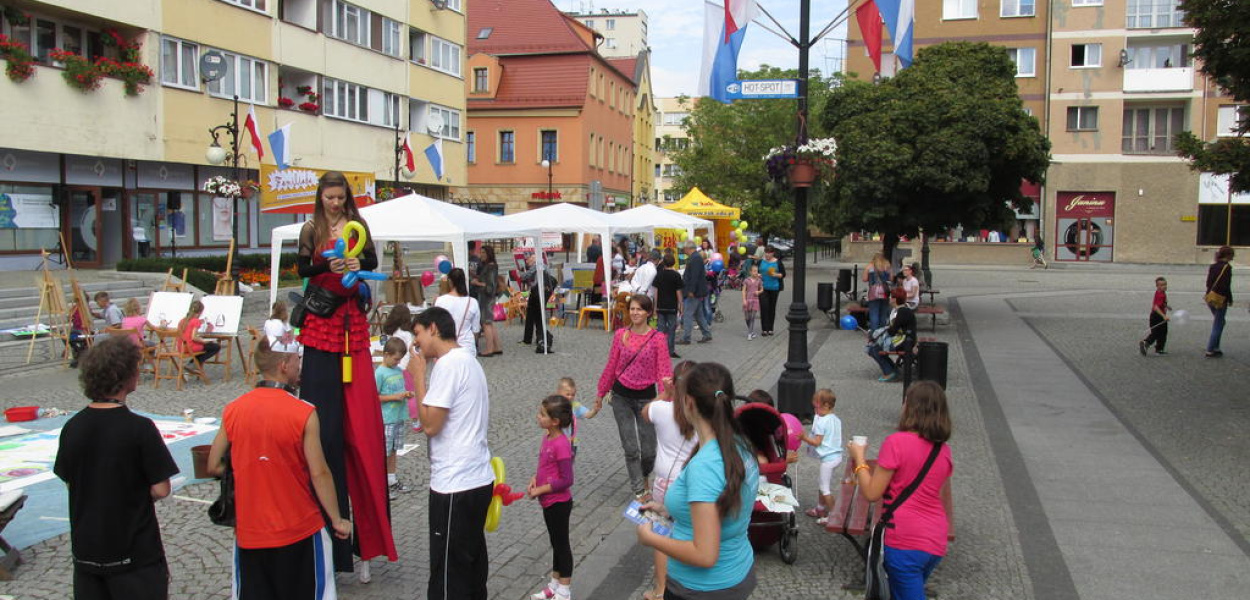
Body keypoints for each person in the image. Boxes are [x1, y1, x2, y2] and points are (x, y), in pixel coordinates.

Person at [294, 170, 396, 574]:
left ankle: (363, 538)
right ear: (320, 198)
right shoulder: (310, 227)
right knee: (323, 427)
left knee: (357, 429)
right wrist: (325, 258)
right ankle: (325, 533)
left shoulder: (360, 224)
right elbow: (301, 267)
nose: (334, 204)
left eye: (339, 198)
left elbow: (371, 261)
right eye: (328, 198)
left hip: (350, 330)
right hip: (321, 324)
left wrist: (357, 260)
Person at [206, 339, 352, 597]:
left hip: (251, 528)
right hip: (298, 526)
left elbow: (213, 464)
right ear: (284, 366)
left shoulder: (234, 410)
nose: (300, 366)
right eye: (297, 361)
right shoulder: (303, 411)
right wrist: (337, 519)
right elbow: (319, 473)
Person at [55, 336, 178, 600]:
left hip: (87, 552)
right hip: (134, 553)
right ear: (126, 376)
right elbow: (161, 488)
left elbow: (69, 480)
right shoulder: (139, 428)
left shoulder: (72, 427)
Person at [635, 362, 759, 600]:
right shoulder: (739, 444)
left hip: (701, 589)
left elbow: (704, 555)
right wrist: (670, 509)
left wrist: (652, 539)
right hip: (737, 571)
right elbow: (721, 503)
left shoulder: (706, 465)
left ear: (689, 402)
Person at [410, 306, 495, 600]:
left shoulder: (447, 365)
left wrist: (419, 376)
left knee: (449, 574)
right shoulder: (469, 361)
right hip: (478, 478)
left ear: (433, 328)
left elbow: (431, 424)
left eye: (417, 333)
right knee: (471, 566)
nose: (416, 342)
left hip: (455, 484)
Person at [846, 381, 953, 600]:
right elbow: (935, 494)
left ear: (911, 407)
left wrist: (859, 458)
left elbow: (872, 493)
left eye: (905, 401)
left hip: (905, 540)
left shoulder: (896, 442)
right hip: (935, 539)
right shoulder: (944, 450)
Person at [597, 294, 673, 499]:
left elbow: (663, 372)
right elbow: (612, 365)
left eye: (639, 309)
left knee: (649, 450)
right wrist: (600, 393)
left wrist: (665, 398)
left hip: (647, 399)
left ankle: (644, 474)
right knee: (630, 448)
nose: (635, 313)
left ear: (649, 312)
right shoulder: (621, 334)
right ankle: (639, 488)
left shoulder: (658, 339)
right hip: (621, 396)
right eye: (632, 309)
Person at [641, 360, 698, 600]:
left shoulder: (663, 410)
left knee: (662, 536)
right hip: (690, 481)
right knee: (689, 533)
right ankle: (689, 581)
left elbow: (645, 413)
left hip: (664, 481)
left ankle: (661, 589)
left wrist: (665, 392)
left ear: (674, 383)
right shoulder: (701, 413)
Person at [527, 395, 577, 600]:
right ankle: (554, 585)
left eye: (542, 414)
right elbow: (545, 466)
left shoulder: (561, 445)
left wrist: (540, 490)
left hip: (559, 503)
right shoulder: (547, 437)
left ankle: (564, 590)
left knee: (562, 545)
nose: (538, 417)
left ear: (555, 421)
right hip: (549, 502)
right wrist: (534, 479)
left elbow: (567, 479)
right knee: (555, 544)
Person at [375, 337, 416, 499]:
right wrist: (393, 397)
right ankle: (382, 482)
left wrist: (406, 394)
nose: (398, 362)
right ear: (386, 354)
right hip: (387, 419)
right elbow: (374, 396)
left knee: (393, 449)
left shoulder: (397, 370)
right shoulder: (380, 373)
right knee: (384, 451)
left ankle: (391, 478)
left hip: (398, 417)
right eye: (396, 359)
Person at [800, 389, 842, 524]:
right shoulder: (835, 419)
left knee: (825, 488)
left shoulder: (822, 422)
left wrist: (804, 437)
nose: (814, 409)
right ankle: (820, 508)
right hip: (837, 456)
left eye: (816, 406)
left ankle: (835, 517)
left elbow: (817, 442)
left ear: (825, 405)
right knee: (822, 483)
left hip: (828, 460)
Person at [867, 288, 917, 382]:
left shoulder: (903, 312)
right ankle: (892, 369)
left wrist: (879, 334)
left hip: (904, 341)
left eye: (890, 297)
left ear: (895, 299)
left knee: (874, 349)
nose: (889, 298)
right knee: (872, 347)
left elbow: (892, 331)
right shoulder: (897, 310)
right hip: (901, 339)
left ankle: (890, 371)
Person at [435, 268, 482, 356]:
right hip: (467, 346)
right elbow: (476, 330)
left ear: (450, 282)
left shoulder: (440, 301)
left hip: (446, 346)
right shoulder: (472, 302)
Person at [679, 242, 712, 345]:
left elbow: (695, 276)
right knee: (699, 314)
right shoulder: (695, 257)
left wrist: (691, 291)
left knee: (688, 314)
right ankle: (706, 334)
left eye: (684, 249)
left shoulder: (695, 258)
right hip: (696, 291)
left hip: (694, 292)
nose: (683, 251)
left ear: (689, 248)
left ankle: (686, 338)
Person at [557, 377, 601, 456]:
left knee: (567, 466)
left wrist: (595, 410)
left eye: (573, 395)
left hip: (571, 443)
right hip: (556, 442)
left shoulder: (576, 406)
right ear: (559, 393)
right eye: (567, 394)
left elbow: (588, 415)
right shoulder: (554, 406)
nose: (570, 397)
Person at [520, 254, 556, 348]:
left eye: (529, 260)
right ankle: (539, 338)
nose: (528, 262)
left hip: (536, 293)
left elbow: (524, 277)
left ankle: (532, 338)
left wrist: (522, 272)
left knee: (533, 315)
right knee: (538, 315)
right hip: (544, 294)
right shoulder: (546, 267)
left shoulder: (536, 266)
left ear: (534, 260)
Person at [652, 255, 684, 359]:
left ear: (663, 263)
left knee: (660, 329)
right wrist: (681, 305)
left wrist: (655, 307)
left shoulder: (659, 275)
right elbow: (678, 292)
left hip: (661, 306)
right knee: (671, 329)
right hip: (672, 306)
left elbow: (655, 293)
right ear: (674, 263)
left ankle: (659, 350)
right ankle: (670, 350)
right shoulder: (676, 275)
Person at [1205, 245, 1234, 358]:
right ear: (1228, 255)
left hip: (1210, 297)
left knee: (1220, 322)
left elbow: (1208, 283)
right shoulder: (1227, 267)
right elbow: (1226, 286)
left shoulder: (1213, 266)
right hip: (1221, 299)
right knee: (1218, 323)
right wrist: (1229, 299)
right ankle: (1210, 349)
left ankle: (1216, 347)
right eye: (1232, 255)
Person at [476, 245, 503, 357]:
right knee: (490, 323)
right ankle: (497, 347)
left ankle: (489, 349)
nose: (481, 255)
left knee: (486, 323)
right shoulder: (489, 266)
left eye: (483, 253)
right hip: (488, 298)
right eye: (481, 252)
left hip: (486, 298)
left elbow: (490, 286)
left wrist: (477, 283)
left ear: (489, 254)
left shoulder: (491, 267)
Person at [177, 300, 220, 367]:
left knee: (205, 347)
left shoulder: (182, 320)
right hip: (190, 347)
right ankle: (193, 364)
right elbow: (194, 337)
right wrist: (204, 341)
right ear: (200, 312)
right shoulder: (196, 321)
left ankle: (192, 363)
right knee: (215, 347)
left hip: (181, 347)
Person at [1139, 277, 1170, 356]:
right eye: (1162, 285)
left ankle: (1159, 349)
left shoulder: (1161, 292)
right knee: (1157, 333)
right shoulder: (1160, 295)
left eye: (1165, 284)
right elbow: (1156, 307)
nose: (1165, 286)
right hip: (1157, 316)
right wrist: (1164, 316)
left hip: (1156, 316)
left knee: (1162, 332)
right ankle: (1147, 343)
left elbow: (1160, 304)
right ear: (1157, 286)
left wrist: (1166, 306)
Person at [758, 246, 785, 336]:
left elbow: (783, 274)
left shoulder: (778, 262)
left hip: (774, 287)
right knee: (764, 307)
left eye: (769, 253)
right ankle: (764, 329)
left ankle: (770, 328)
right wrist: (758, 275)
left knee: (771, 308)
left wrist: (776, 274)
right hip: (762, 287)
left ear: (773, 253)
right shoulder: (760, 261)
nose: (767, 255)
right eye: (766, 252)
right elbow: (754, 271)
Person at [863, 253, 893, 331]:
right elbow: (891, 279)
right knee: (883, 313)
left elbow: (864, 279)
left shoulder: (869, 266)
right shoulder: (887, 266)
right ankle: (882, 331)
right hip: (885, 291)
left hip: (873, 292)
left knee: (873, 312)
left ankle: (874, 332)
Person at [742, 264, 762, 340]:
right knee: (747, 318)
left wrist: (759, 292)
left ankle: (750, 334)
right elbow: (743, 291)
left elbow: (762, 289)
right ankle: (751, 331)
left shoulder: (759, 280)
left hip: (755, 300)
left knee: (753, 317)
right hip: (747, 300)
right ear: (750, 272)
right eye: (754, 271)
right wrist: (744, 300)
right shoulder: (746, 280)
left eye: (757, 271)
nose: (756, 272)